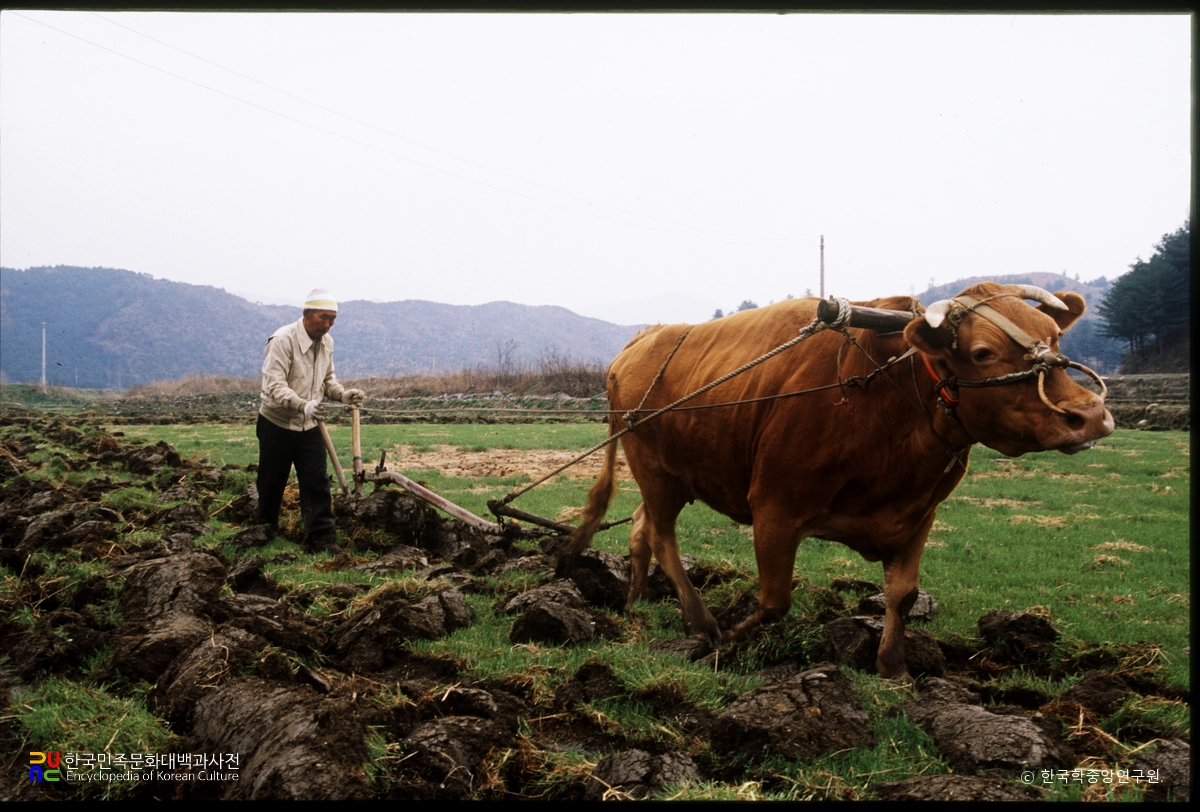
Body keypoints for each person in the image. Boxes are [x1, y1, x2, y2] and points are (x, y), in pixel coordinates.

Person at [256, 288, 364, 554]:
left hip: (310, 424)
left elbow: (328, 380)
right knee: (272, 482)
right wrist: (302, 404)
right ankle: (264, 531)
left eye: (332, 320)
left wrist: (342, 394)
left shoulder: (327, 343)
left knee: (316, 481)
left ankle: (323, 538)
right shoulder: (282, 340)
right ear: (307, 314)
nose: (327, 325)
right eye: (323, 318)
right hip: (277, 423)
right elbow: (274, 385)